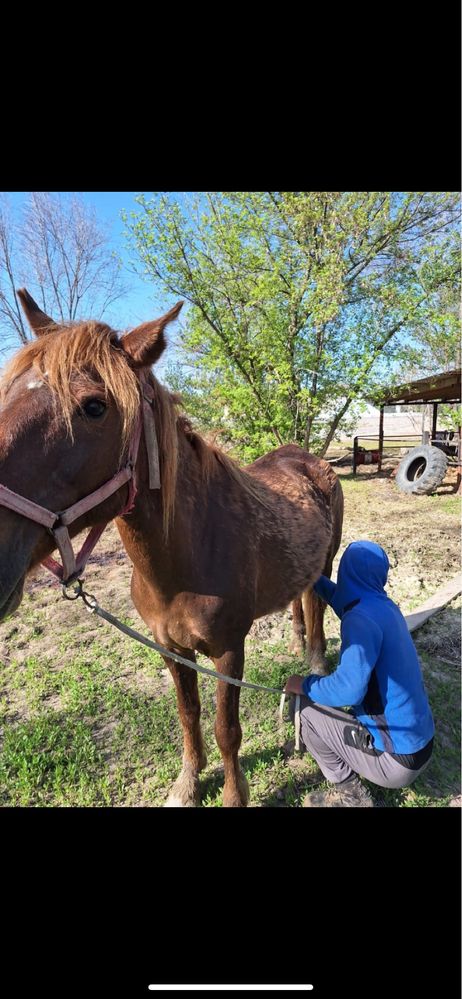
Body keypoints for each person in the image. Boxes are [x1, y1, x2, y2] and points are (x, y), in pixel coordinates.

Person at [284, 540, 435, 807]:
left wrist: (304, 684)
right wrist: (313, 577)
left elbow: (349, 689)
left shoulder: (359, 621)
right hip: (420, 745)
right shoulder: (382, 606)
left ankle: (351, 795)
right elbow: (342, 599)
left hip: (396, 761)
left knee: (306, 711)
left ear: (346, 572)